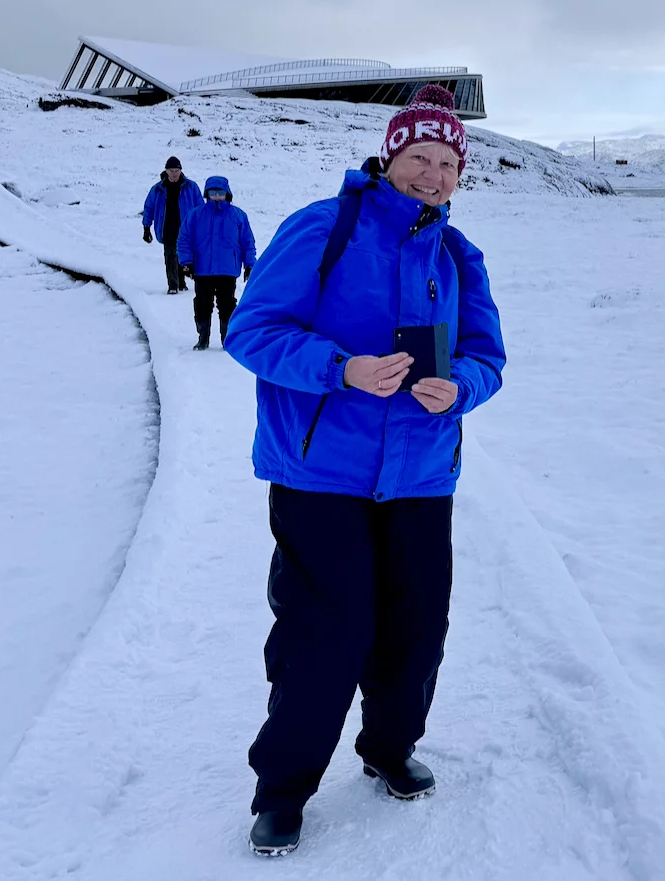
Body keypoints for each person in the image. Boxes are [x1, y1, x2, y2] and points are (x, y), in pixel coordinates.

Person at [223, 84, 505, 857]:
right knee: (325, 632)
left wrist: (461, 387)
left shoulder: (458, 255)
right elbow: (252, 330)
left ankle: (388, 746)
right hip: (322, 473)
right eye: (422, 157)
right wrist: (341, 369)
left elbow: (487, 355)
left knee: (417, 627)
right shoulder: (324, 227)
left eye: (449, 164)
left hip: (421, 476)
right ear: (390, 156)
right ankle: (283, 790)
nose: (434, 175)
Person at [177, 175, 256, 350]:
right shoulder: (196, 215)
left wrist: (250, 264)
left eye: (220, 193)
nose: (217, 197)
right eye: (213, 193)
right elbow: (184, 239)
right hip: (202, 269)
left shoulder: (238, 215)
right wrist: (186, 261)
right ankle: (203, 338)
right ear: (207, 194)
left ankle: (227, 339)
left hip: (228, 270)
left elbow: (247, 242)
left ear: (227, 193)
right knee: (202, 304)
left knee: (227, 305)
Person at [142, 157, 202, 295]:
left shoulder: (191, 187)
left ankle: (181, 282)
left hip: (186, 228)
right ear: (166, 171)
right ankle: (173, 285)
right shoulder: (158, 189)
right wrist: (146, 227)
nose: (174, 174)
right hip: (167, 227)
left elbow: (200, 208)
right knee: (170, 255)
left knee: (182, 254)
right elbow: (149, 208)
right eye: (171, 171)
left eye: (176, 170)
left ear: (181, 171)